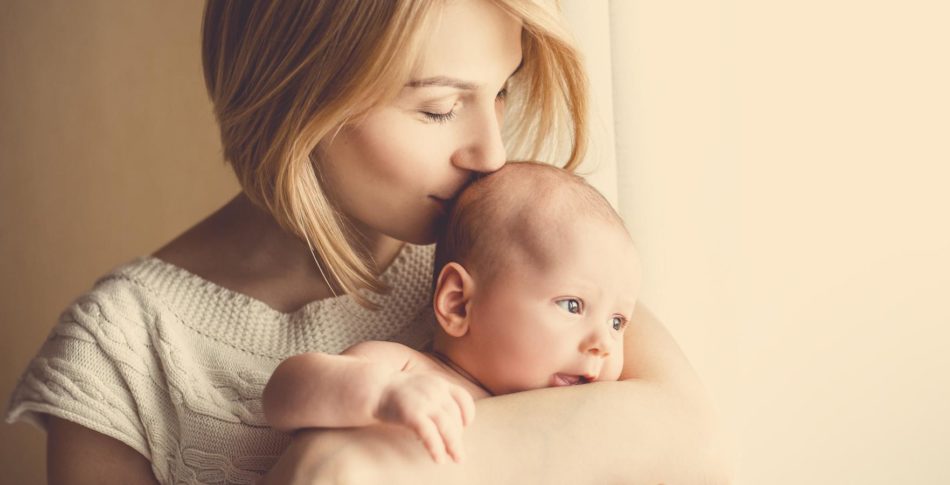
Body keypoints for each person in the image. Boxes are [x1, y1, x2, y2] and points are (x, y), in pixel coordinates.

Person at [6, 1, 727, 483]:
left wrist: (358, 463)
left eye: (500, 91)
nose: (491, 150)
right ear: (298, 96)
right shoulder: (121, 348)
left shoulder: (512, 244)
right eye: (440, 108)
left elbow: (690, 437)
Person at [262, 162, 642, 465]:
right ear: (459, 303)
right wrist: (382, 393)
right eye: (572, 305)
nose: (603, 344)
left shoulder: (578, 422)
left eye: (617, 322)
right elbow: (284, 393)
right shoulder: (409, 373)